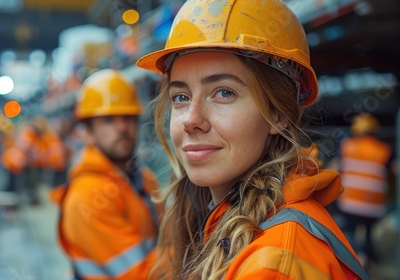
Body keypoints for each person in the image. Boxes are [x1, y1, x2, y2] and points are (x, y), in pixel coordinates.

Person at [136, 0, 368, 279]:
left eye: (224, 93)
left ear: (278, 114)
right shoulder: (214, 221)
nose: (190, 120)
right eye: (181, 97)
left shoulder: (273, 264)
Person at [58, 69, 161, 279]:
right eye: (108, 120)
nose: (122, 127)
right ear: (88, 130)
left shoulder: (144, 178)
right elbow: (142, 275)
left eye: (128, 118)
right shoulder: (87, 196)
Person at [336, 112, 393, 265]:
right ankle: (368, 255)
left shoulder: (347, 146)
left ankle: (358, 256)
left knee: (352, 232)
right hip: (373, 204)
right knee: (368, 232)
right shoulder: (384, 150)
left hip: (350, 202)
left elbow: (337, 168)